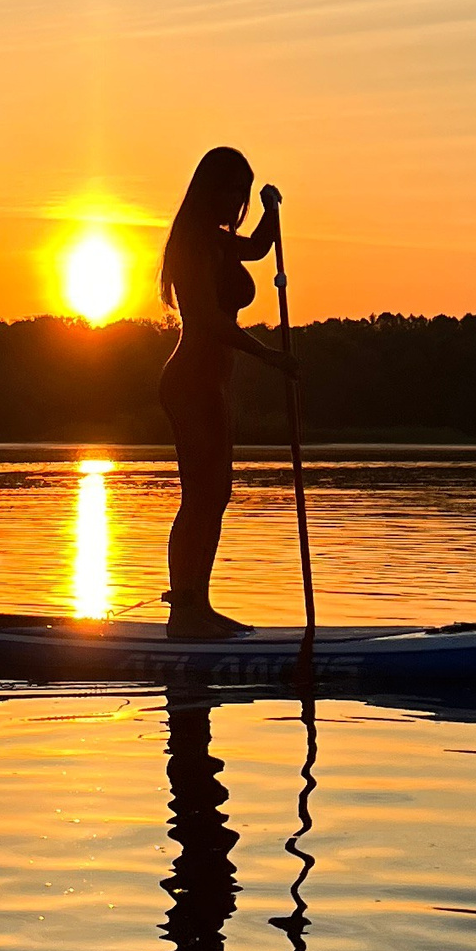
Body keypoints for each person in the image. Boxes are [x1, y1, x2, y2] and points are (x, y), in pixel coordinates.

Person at [156, 146, 294, 638]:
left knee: (216, 494)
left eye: (241, 191)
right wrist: (271, 356)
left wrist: (270, 207)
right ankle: (187, 610)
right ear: (207, 188)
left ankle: (197, 605)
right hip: (191, 381)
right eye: (230, 189)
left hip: (211, 382)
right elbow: (210, 322)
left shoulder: (216, 241)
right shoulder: (193, 244)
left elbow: (258, 247)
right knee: (201, 496)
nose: (235, 200)